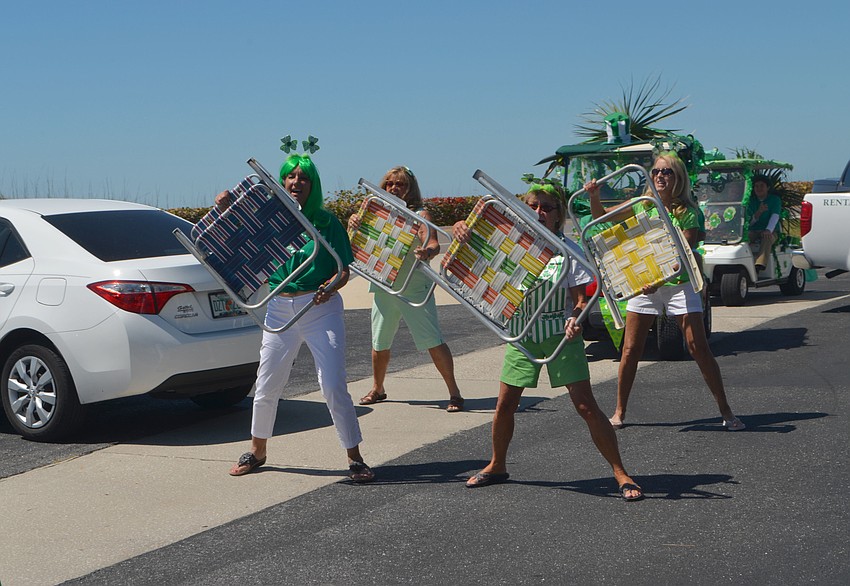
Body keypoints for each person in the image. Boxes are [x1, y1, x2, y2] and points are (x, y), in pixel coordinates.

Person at [455, 183, 643, 500]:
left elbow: (581, 299)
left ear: (557, 216)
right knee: (504, 405)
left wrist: (577, 319)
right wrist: (462, 228)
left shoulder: (568, 251)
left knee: (586, 406)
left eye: (546, 207)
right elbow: (474, 252)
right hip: (522, 335)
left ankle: (620, 472)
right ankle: (497, 464)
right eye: (532, 206)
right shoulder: (510, 247)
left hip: (559, 336)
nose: (539, 213)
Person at [225, 153, 374, 482]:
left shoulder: (326, 221)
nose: (296, 182)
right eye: (290, 176)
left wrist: (330, 286)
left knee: (333, 385)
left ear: (312, 184)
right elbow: (236, 237)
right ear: (283, 181)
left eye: (303, 178)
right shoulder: (272, 220)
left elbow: (343, 269)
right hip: (279, 307)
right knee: (267, 384)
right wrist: (225, 206)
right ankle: (257, 451)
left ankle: (355, 457)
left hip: (320, 309)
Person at [585, 152, 745, 432]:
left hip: (677, 283)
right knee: (630, 349)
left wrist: (660, 279)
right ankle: (619, 411)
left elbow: (681, 254)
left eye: (667, 172)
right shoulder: (641, 205)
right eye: (657, 171)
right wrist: (595, 196)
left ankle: (726, 410)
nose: (660, 176)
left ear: (678, 178)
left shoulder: (687, 211)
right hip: (645, 284)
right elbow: (600, 218)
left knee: (698, 347)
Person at [348, 166, 465, 412]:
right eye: (389, 184)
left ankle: (454, 392)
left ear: (410, 188)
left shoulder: (421, 214)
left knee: (432, 340)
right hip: (383, 283)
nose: (394, 188)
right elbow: (355, 242)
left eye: (400, 184)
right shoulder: (376, 213)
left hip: (413, 285)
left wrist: (427, 252)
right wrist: (353, 223)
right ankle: (378, 388)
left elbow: (433, 243)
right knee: (379, 342)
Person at [748, 175, 782, 272]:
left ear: (767, 188)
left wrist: (768, 230)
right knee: (745, 238)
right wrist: (759, 212)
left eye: (761, 186)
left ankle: (760, 264)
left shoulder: (774, 200)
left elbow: (775, 216)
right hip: (754, 230)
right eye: (756, 186)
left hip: (771, 231)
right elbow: (749, 222)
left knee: (767, 238)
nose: (759, 188)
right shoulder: (751, 201)